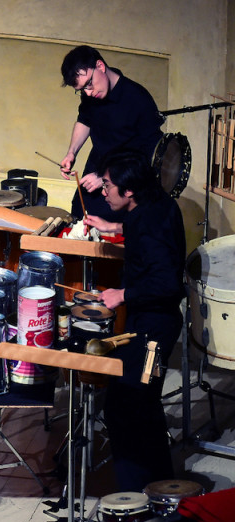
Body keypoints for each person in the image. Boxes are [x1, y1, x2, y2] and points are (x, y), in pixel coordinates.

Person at [84, 149, 185, 491]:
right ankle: (155, 490)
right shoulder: (159, 204)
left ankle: (137, 497)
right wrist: (112, 226)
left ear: (129, 191)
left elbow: (168, 282)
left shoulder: (147, 224)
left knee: (128, 407)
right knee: (139, 406)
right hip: (150, 324)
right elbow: (143, 230)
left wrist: (121, 295)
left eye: (109, 185)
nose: (103, 190)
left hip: (154, 331)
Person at [59, 45, 164, 223]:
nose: (88, 93)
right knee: (78, 216)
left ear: (100, 66)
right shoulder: (91, 95)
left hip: (124, 186)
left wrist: (106, 178)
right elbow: (85, 120)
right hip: (95, 171)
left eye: (88, 85)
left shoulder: (138, 98)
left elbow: (150, 156)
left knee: (107, 235)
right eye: (81, 90)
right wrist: (71, 153)